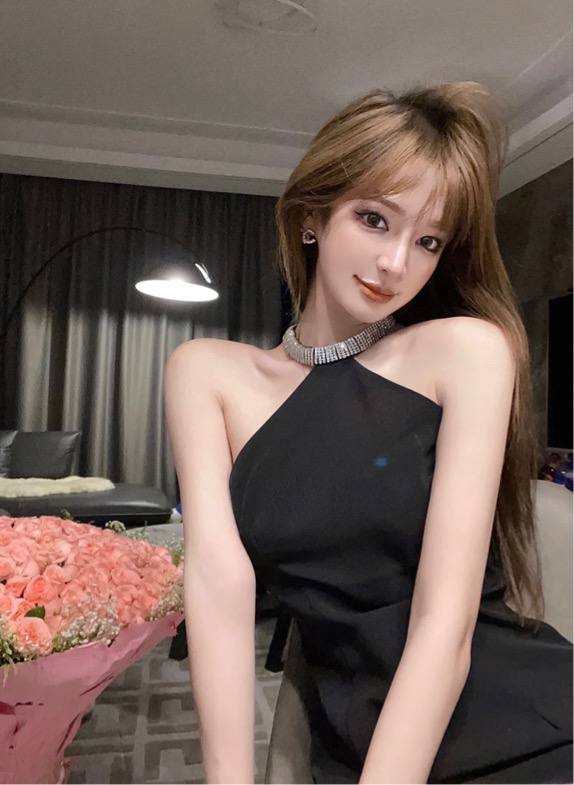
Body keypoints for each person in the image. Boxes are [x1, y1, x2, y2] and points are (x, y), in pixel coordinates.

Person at [164, 81, 573, 784]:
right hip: (356, 731)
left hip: (522, 723)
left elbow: (446, 624)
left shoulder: (464, 352)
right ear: (312, 217)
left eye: (428, 240)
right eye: (375, 219)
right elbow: (217, 584)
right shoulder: (206, 373)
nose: (396, 263)